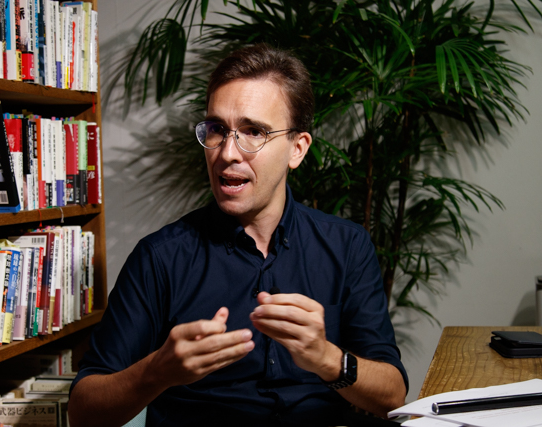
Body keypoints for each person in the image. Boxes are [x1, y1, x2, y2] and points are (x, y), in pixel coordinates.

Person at [68, 44, 408, 427]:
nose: (228, 152)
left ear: (297, 149)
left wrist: (327, 358)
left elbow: (392, 395)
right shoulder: (159, 258)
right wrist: (156, 372)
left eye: (253, 132)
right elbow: (82, 411)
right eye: (217, 130)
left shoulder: (347, 246)